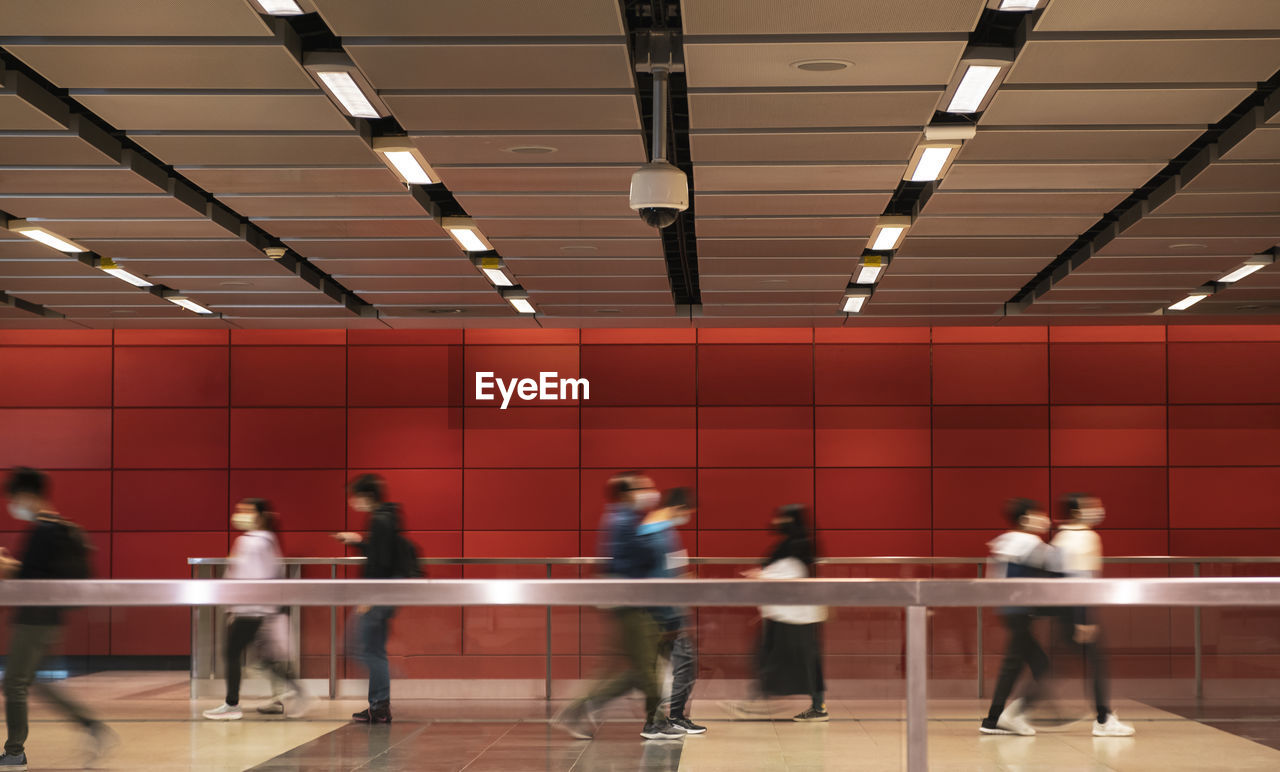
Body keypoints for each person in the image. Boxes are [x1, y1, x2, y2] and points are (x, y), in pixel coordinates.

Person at [553, 472, 683, 741]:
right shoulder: (624, 520)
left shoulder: (623, 519)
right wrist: (657, 529)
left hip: (628, 601)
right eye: (644, 487)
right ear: (627, 492)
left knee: (637, 667)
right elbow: (640, 559)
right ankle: (653, 722)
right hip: (631, 603)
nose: (651, 491)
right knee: (645, 667)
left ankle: (580, 711)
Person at [1, 467, 115, 770]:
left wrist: (4, 564)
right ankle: (91, 725)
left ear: (27, 495)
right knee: (34, 681)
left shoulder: (43, 530)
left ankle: (14, 753)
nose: (13, 505)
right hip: (48, 617)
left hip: (34, 618)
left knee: (14, 682)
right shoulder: (58, 527)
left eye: (14, 498)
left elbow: (28, 579)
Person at [203, 499, 309, 720]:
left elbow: (248, 577)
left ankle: (232, 705)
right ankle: (295, 690)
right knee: (264, 658)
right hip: (262, 608)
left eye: (246, 510)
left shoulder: (250, 542)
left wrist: (235, 606)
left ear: (260, 515)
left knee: (232, 653)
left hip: (249, 609)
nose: (240, 514)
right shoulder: (268, 540)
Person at [1051, 494, 1135, 738]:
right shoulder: (1085, 538)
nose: (1097, 510)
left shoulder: (1060, 536)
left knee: (1056, 667)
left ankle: (1013, 711)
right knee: (1097, 662)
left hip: (1063, 609)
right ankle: (1103, 718)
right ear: (1077, 511)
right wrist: (1084, 618)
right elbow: (1081, 580)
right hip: (1080, 609)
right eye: (1091, 506)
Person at [335, 473, 413, 724]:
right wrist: (359, 541)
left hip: (379, 592)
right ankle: (379, 707)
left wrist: (368, 596)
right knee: (373, 649)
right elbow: (383, 553)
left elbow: (380, 563)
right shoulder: (388, 516)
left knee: (362, 648)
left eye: (354, 496)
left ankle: (381, 701)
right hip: (387, 591)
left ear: (366, 496)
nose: (352, 501)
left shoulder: (379, 520)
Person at [980, 498, 1060, 736]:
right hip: (1022, 611)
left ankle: (993, 719)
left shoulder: (1006, 542)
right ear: (1026, 518)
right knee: (1040, 666)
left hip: (1009, 611)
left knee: (1013, 666)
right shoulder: (1029, 543)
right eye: (1039, 514)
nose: (1045, 518)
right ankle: (1009, 716)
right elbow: (1058, 566)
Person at [745, 504, 828, 722]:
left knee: (771, 657)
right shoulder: (801, 545)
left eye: (781, 519)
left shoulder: (794, 547)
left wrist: (760, 576)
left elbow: (787, 575)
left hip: (793, 616)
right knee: (803, 660)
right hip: (797, 614)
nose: (776, 523)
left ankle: (759, 700)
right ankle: (816, 706)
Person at [646, 488, 705, 734]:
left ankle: (656, 722)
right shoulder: (663, 534)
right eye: (688, 513)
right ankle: (672, 717)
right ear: (678, 509)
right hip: (668, 611)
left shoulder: (650, 529)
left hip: (656, 609)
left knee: (657, 667)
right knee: (686, 664)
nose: (687, 518)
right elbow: (671, 574)